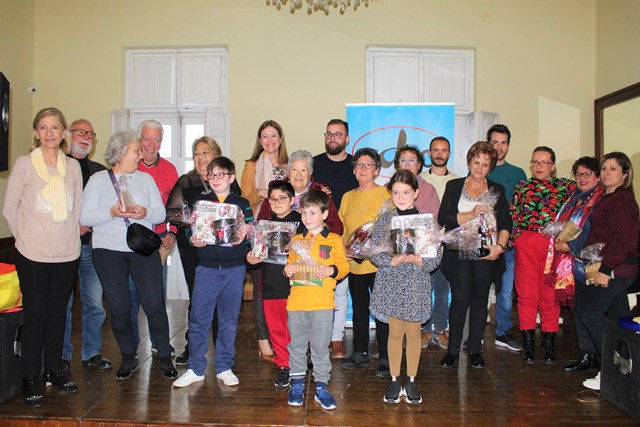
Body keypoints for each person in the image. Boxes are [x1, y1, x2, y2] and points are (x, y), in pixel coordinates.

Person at [80, 130, 177, 381]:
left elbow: (159, 214)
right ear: (121, 152)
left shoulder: (145, 180)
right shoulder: (98, 180)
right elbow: (85, 218)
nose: (141, 154)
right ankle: (128, 356)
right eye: (136, 150)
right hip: (107, 250)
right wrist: (112, 213)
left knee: (154, 304)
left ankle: (165, 355)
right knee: (120, 308)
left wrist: (143, 212)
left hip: (141, 249)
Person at [3, 107, 83, 407]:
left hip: (66, 253)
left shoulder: (73, 167)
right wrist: (25, 239)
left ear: (63, 133)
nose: (50, 133)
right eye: (44, 128)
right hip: (32, 254)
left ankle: (54, 370)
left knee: (58, 315)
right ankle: (30, 377)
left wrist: (71, 239)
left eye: (55, 128)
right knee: (35, 316)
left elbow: (76, 210)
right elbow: (10, 209)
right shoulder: (25, 164)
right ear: (36, 132)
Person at [173, 156, 253, 388]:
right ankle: (195, 368)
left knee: (228, 321)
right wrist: (194, 239)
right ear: (207, 177)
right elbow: (191, 233)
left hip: (234, 269)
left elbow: (250, 234)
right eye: (212, 174)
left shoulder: (242, 203)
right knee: (198, 320)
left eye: (221, 174)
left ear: (231, 177)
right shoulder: (201, 201)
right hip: (206, 268)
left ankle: (225, 367)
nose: (216, 179)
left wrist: (244, 236)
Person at [369, 170, 442, 404]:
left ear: (416, 193)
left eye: (406, 192)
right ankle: (393, 381)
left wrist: (422, 261)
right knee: (394, 332)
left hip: (414, 282)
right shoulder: (384, 220)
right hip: (391, 281)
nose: (401, 197)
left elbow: (436, 255)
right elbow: (372, 250)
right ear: (390, 194)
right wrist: (390, 260)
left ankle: (411, 380)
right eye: (396, 192)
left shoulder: (427, 221)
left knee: (413, 333)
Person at [438, 142, 511, 369]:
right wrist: (470, 214)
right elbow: (444, 218)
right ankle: (452, 351)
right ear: (469, 162)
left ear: (490, 168)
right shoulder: (454, 185)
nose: (479, 168)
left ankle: (475, 350)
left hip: (485, 253)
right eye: (476, 162)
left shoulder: (497, 190)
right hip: (458, 252)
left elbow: (506, 223)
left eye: (485, 164)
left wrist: (499, 246)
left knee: (480, 302)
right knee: (459, 301)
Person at [283, 190, 349, 410]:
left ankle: (321, 387)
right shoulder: (296, 240)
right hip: (297, 303)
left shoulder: (334, 240)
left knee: (321, 347)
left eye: (312, 213)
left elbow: (344, 267)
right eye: (304, 212)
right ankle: (297, 384)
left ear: (324, 213)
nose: (307, 217)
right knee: (297, 345)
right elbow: (289, 266)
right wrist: (288, 270)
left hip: (322, 303)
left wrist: (331, 269)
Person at [510, 146, 576, 364]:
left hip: (553, 247)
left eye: (544, 162)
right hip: (527, 244)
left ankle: (549, 344)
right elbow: (513, 215)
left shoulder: (567, 187)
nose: (539, 166)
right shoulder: (522, 186)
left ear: (553, 165)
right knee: (527, 295)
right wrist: (515, 240)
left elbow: (577, 215)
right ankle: (528, 344)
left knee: (549, 296)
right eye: (535, 162)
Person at [580, 152, 639, 391]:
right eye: (604, 168)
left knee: (590, 314)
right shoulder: (607, 197)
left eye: (613, 169)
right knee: (619, 322)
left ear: (625, 175)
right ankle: (625, 374)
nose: (606, 173)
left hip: (619, 267)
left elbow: (621, 241)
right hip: (612, 265)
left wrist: (605, 270)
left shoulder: (622, 201)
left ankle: (609, 371)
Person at [165, 136, 223, 365]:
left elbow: (237, 208)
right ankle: (192, 348)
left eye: (205, 152)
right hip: (194, 249)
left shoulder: (227, 178)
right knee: (198, 297)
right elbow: (172, 212)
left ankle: (222, 347)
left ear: (216, 155)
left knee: (222, 298)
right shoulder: (186, 181)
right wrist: (197, 222)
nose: (200, 157)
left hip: (221, 249)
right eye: (197, 153)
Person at [61, 119, 111, 371]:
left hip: (92, 247)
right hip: (61, 247)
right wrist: (74, 224)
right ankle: (62, 355)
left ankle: (91, 353)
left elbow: (107, 206)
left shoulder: (100, 171)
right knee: (63, 304)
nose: (86, 136)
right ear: (68, 135)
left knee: (94, 304)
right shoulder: (56, 165)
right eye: (80, 131)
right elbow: (50, 207)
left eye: (91, 133)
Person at [339, 148, 391, 377]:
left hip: (378, 264)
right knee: (359, 310)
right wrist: (344, 249)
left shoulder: (385, 195)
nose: (362, 169)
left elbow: (389, 229)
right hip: (355, 264)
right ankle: (360, 351)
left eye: (368, 165)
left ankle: (386, 355)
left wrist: (373, 250)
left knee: (381, 310)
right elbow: (342, 228)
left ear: (377, 170)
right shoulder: (348, 196)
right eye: (359, 164)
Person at [246, 180, 303, 388]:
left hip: (297, 286)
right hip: (271, 284)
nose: (277, 202)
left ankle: (298, 364)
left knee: (297, 328)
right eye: (273, 199)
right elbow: (256, 256)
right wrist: (251, 259)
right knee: (277, 329)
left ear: (293, 200)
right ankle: (284, 365)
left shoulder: (303, 222)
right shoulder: (264, 226)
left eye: (282, 198)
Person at [241, 120, 289, 361]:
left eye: (273, 135)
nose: (269, 140)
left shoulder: (289, 165)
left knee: (282, 285)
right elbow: (244, 197)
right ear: (259, 141)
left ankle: (283, 337)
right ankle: (263, 340)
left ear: (280, 138)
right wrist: (261, 194)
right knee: (260, 286)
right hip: (259, 229)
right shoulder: (251, 165)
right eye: (264, 136)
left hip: (285, 232)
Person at [130, 119, 179, 353]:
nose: (151, 144)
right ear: (140, 140)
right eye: (147, 139)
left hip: (158, 243)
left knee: (156, 298)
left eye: (156, 140)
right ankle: (130, 346)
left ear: (161, 142)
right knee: (129, 298)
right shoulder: (129, 166)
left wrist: (173, 232)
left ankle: (160, 345)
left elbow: (176, 208)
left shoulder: (169, 170)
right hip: (127, 242)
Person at [551, 157, 604, 372]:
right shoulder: (574, 198)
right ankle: (587, 354)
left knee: (592, 313)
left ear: (597, 177)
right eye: (579, 174)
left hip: (593, 264)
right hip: (573, 264)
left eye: (587, 174)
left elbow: (595, 232)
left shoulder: (601, 200)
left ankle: (604, 360)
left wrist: (570, 246)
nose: (582, 178)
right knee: (579, 310)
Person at [312, 119, 358, 359]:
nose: (333, 138)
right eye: (329, 134)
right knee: (316, 286)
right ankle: (317, 338)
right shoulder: (315, 164)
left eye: (338, 135)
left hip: (343, 235)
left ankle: (336, 339)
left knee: (340, 288)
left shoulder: (355, 165)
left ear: (346, 139)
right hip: (316, 234)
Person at [393, 145, 442, 348]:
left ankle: (425, 330)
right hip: (397, 255)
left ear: (419, 164)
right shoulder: (391, 187)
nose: (407, 164)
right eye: (403, 160)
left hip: (422, 253)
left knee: (427, 291)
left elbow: (434, 222)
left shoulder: (428, 189)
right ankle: (401, 330)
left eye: (411, 160)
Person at [486, 124, 527, 353]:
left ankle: (503, 331)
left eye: (503, 143)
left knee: (505, 291)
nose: (499, 147)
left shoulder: (518, 173)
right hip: (481, 242)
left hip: (508, 244)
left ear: (508, 145)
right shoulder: (481, 170)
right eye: (494, 142)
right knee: (479, 290)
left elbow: (522, 209)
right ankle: (474, 334)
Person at [420, 136, 459, 349]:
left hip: (447, 245)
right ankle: (425, 330)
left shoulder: (457, 181)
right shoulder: (420, 181)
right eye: (435, 150)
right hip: (424, 245)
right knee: (425, 289)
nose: (439, 154)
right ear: (429, 153)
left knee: (443, 290)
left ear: (449, 154)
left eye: (444, 150)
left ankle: (441, 327)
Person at [257, 150, 343, 235]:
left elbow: (338, 227)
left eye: (303, 170)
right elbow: (261, 222)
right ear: (288, 172)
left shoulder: (320, 194)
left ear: (310, 173)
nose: (299, 174)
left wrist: (318, 224)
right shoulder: (276, 192)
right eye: (294, 169)